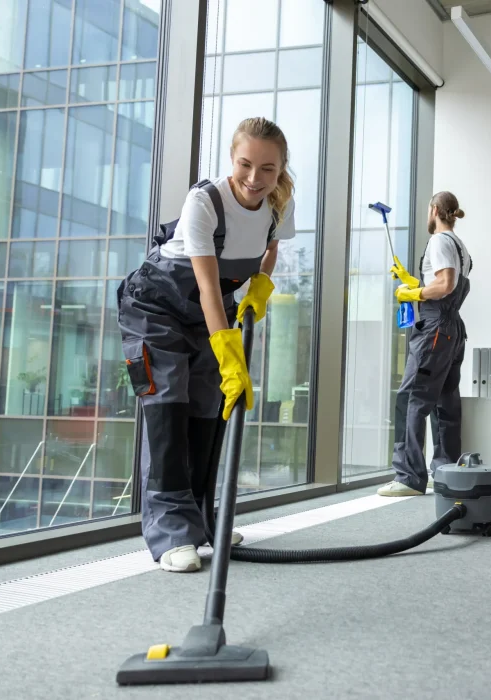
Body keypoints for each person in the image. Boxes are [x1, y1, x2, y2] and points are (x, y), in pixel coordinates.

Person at [117, 117, 296, 571]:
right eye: (245, 165)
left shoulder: (279, 203)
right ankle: (170, 534)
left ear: (281, 169)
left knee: (207, 414)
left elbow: (270, 246)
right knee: (168, 410)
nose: (255, 179)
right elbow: (208, 283)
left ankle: (202, 520)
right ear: (231, 160)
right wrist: (230, 353)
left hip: (205, 315)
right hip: (156, 310)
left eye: (268, 169)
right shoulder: (205, 202)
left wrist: (261, 286)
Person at [378, 192, 473, 496]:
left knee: (411, 397)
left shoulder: (440, 241)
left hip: (435, 327)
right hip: (452, 328)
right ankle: (445, 472)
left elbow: (445, 285)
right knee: (444, 401)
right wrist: (413, 281)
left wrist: (414, 294)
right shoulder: (460, 246)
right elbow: (449, 285)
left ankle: (408, 477)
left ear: (434, 210)